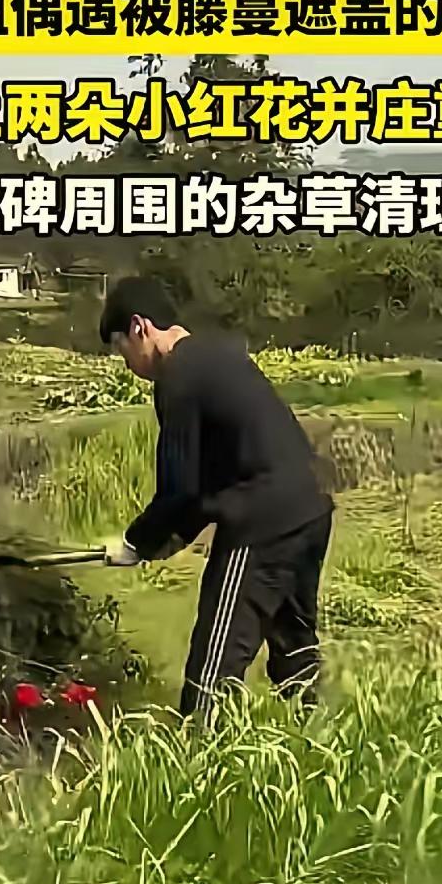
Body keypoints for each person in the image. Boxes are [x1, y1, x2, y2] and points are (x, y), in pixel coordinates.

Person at [99, 276, 334, 716]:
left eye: (119, 349)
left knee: (213, 663)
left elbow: (178, 490)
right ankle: (318, 743)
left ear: (138, 328)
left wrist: (135, 543)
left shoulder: (177, 377)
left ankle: (197, 762)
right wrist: (166, 541)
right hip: (311, 505)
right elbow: (205, 484)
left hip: (262, 520)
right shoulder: (217, 356)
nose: (126, 362)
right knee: (293, 641)